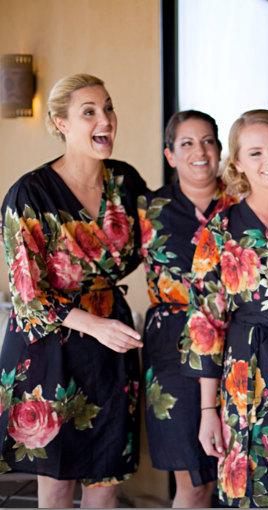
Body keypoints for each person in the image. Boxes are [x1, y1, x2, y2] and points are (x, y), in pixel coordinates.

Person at [0, 73, 146, 507]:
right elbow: (26, 294)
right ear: (61, 123)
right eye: (89, 112)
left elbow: (163, 240)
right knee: (58, 482)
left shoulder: (125, 182)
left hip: (111, 347)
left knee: (108, 474)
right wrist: (94, 325)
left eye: (108, 107)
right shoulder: (30, 193)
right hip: (51, 349)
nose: (105, 119)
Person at [180, 110, 268, 507]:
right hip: (247, 372)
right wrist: (208, 410)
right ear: (239, 163)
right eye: (256, 152)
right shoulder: (221, 229)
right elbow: (206, 324)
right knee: (251, 485)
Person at [138, 110, 237, 507]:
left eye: (209, 141)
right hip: (172, 347)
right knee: (193, 482)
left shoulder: (243, 202)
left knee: (235, 475)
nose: (201, 151)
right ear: (170, 155)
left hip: (238, 342)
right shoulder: (147, 209)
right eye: (187, 143)